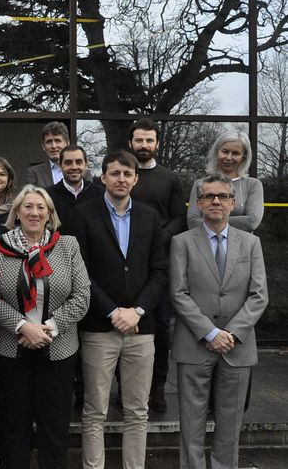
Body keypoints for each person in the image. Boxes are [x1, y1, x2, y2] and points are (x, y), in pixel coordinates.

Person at [74, 150, 167, 469]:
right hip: (100, 328)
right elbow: (81, 272)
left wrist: (137, 310)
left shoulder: (149, 216)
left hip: (142, 329)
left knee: (137, 411)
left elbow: (160, 271)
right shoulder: (84, 214)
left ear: (136, 179)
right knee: (95, 410)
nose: (121, 179)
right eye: (115, 173)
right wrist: (113, 312)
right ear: (102, 178)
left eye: (127, 174)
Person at [0, 185, 90, 469]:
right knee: (12, 427)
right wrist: (22, 326)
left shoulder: (67, 245)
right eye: (28, 206)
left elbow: (82, 295)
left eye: (41, 207)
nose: (34, 212)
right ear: (17, 212)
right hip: (11, 351)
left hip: (58, 351)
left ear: (50, 214)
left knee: (54, 428)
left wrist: (49, 328)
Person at [171, 174, 268, 469]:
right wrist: (210, 332)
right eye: (209, 196)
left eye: (222, 196)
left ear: (233, 203)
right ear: (199, 203)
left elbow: (259, 295)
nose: (216, 201)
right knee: (191, 422)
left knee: (230, 424)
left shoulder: (251, 243)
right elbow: (178, 293)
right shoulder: (182, 242)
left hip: (237, 348)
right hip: (194, 344)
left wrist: (232, 333)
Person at [128, 118, 187, 413]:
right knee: (126, 324)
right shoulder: (123, 176)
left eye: (149, 140)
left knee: (161, 324)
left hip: (160, 259)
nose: (144, 145)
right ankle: (126, 388)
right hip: (126, 261)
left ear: (157, 144)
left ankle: (157, 387)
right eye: (139, 140)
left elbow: (180, 217)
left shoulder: (170, 178)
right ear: (131, 143)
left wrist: (158, 238)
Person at [187, 130, 263, 232]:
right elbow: (192, 222)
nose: (228, 157)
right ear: (217, 152)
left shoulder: (253, 185)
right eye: (225, 151)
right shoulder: (200, 184)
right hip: (204, 245)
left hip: (242, 246)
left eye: (235, 153)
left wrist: (212, 220)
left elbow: (252, 221)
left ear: (243, 157)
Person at [46, 145, 103, 237]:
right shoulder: (48, 196)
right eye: (68, 163)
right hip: (61, 250)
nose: (74, 167)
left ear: (86, 165)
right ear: (60, 166)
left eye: (79, 162)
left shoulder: (100, 194)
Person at [25, 121, 70, 188]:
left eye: (57, 141)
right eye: (49, 142)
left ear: (67, 144)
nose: (54, 146)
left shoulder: (83, 172)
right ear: (43, 146)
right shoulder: (34, 173)